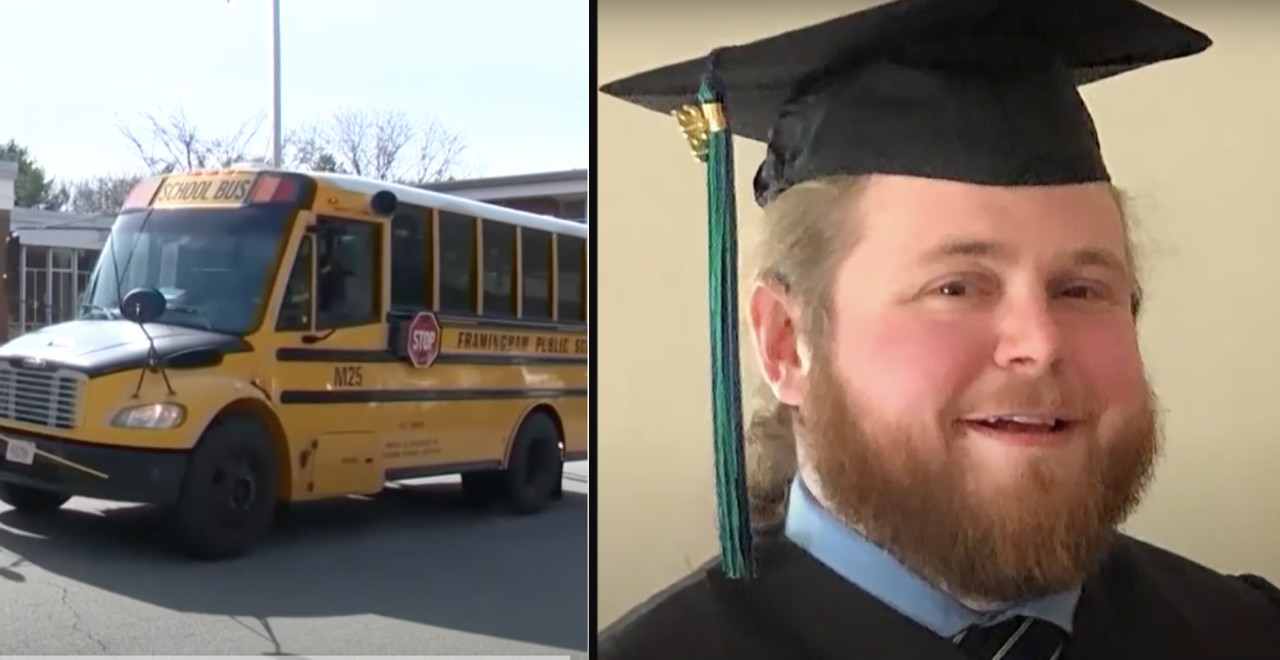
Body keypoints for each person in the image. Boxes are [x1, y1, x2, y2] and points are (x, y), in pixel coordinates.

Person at [596, 0, 1280, 657]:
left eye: (1081, 288)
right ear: (785, 343)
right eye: (955, 287)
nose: (1039, 343)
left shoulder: (1243, 633)